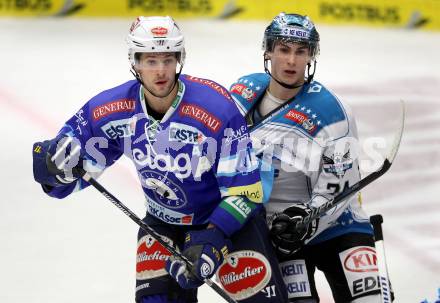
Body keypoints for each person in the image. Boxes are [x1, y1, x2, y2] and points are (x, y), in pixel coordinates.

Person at [32, 16, 288, 303]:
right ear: (135, 62)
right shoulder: (113, 109)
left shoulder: (216, 108)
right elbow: (69, 162)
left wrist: (215, 235)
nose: (161, 71)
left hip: (228, 222)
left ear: (180, 59)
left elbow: (247, 192)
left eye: (168, 59)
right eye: (151, 61)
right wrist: (53, 171)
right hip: (162, 223)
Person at [229, 12, 386, 303]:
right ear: (268, 51)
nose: (291, 61)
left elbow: (338, 187)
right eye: (284, 50)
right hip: (279, 235)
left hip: (341, 225)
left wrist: (307, 220)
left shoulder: (332, 113)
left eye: (301, 52)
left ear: (311, 56)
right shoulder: (240, 92)